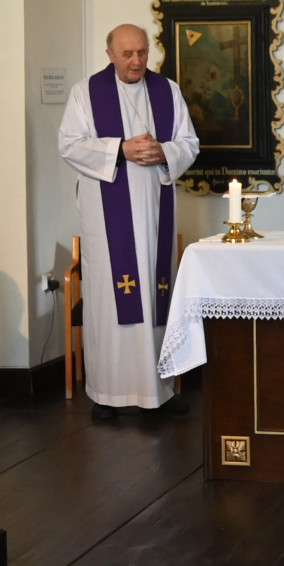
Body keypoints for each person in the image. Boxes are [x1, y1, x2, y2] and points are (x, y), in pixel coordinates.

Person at [59, 23, 199, 419]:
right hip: (107, 224)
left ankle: (158, 393)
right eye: (127, 54)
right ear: (110, 55)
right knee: (109, 302)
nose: (137, 61)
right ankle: (107, 394)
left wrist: (165, 152)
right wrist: (120, 149)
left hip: (154, 214)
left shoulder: (167, 90)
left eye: (142, 52)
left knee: (154, 298)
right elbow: (69, 145)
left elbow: (189, 143)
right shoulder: (86, 93)